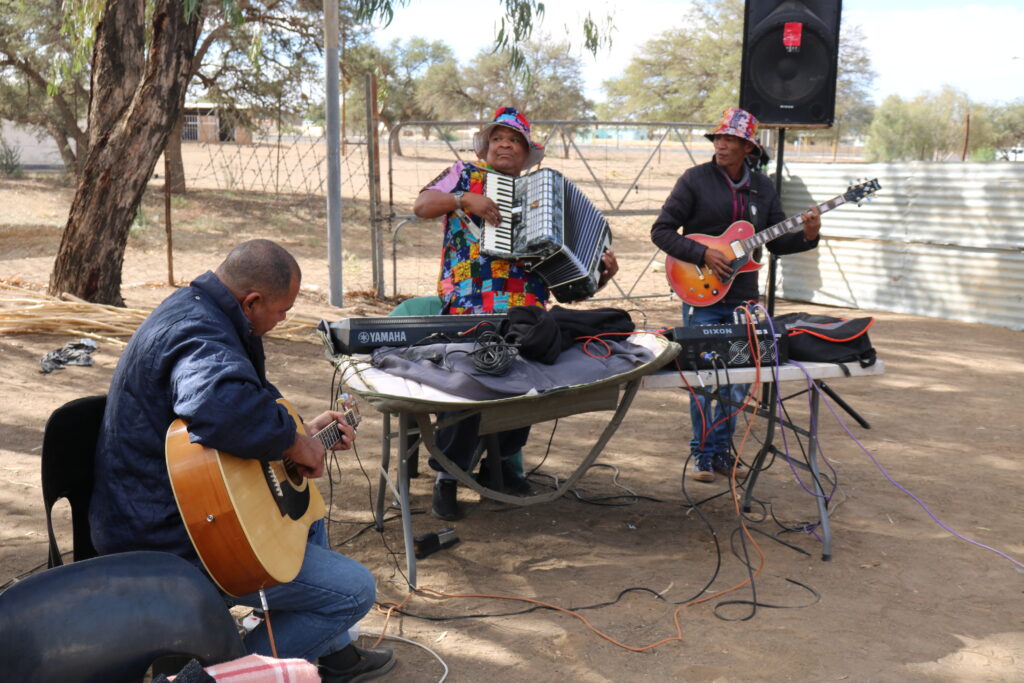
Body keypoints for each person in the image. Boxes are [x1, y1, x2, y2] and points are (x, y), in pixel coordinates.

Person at [89, 240, 395, 682]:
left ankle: (335, 653)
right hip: (168, 534)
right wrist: (292, 445)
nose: (283, 319)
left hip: (163, 506)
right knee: (355, 591)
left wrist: (301, 435)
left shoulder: (202, 311)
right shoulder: (199, 332)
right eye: (282, 310)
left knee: (308, 514)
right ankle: (217, 674)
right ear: (252, 301)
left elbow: (229, 410)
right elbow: (218, 405)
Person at [412, 106, 618, 520]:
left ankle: (498, 467)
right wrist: (461, 198)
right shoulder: (464, 174)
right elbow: (421, 205)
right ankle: (448, 476)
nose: (506, 145)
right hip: (470, 305)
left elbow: (571, 288)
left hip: (526, 312)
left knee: (530, 380)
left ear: (527, 155)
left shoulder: (545, 199)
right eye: (498, 138)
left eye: (516, 141)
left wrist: (602, 274)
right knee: (466, 385)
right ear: (486, 147)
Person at [650, 107, 822, 483]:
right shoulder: (694, 180)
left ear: (748, 147)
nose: (721, 145)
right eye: (719, 138)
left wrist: (809, 233)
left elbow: (777, 244)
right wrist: (702, 253)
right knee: (704, 378)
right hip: (701, 294)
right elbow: (661, 231)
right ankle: (702, 455)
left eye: (730, 140)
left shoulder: (763, 187)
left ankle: (721, 455)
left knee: (740, 378)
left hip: (744, 296)